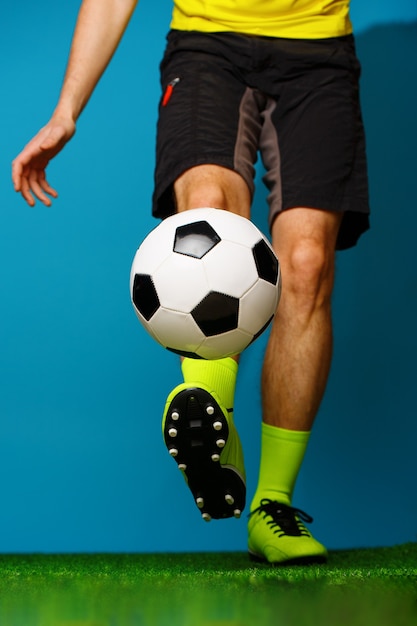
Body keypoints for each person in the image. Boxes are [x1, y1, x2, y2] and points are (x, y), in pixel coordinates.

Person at [12, 0, 370, 565]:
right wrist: (67, 110)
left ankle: (271, 505)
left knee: (306, 263)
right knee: (206, 214)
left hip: (319, 54)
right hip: (208, 47)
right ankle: (214, 419)